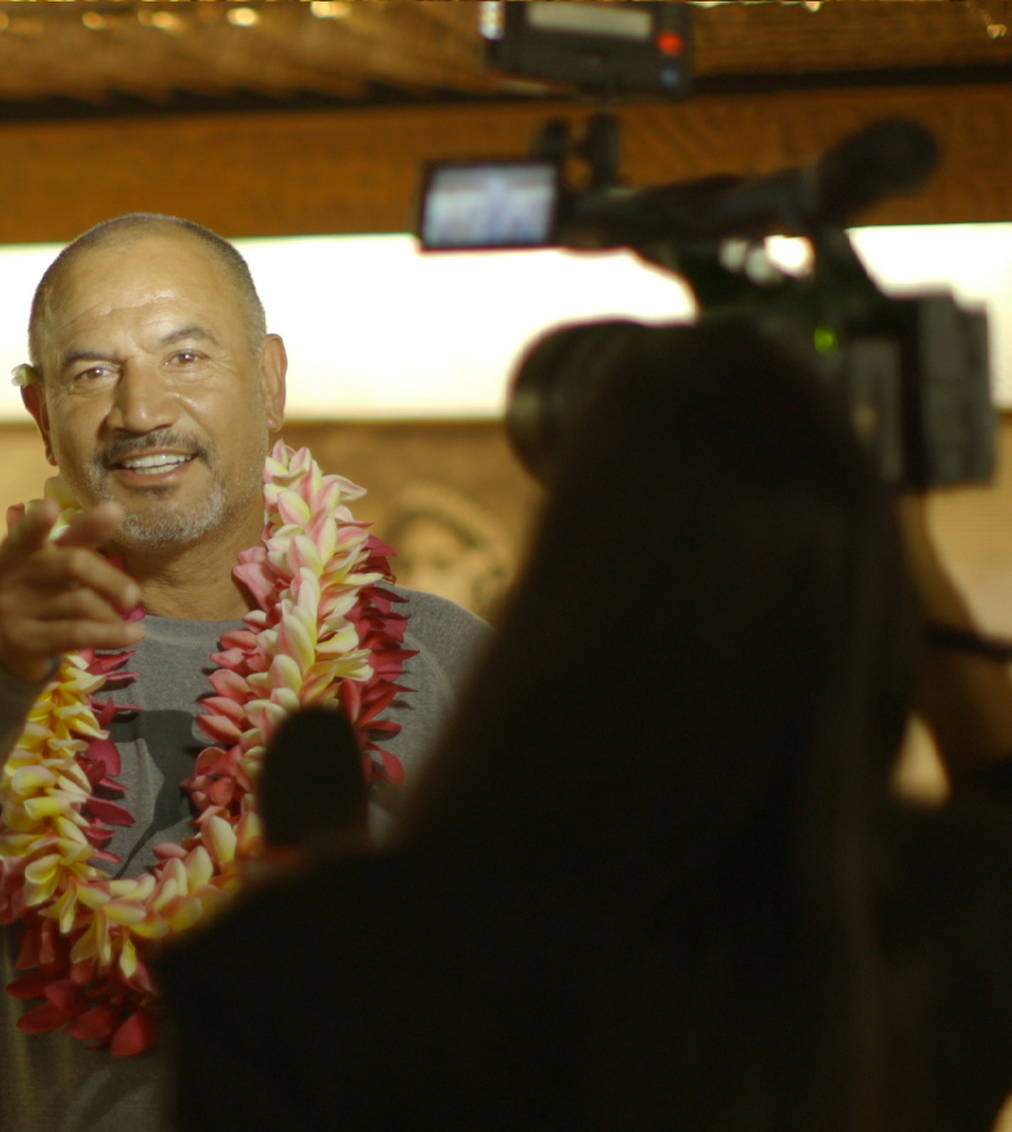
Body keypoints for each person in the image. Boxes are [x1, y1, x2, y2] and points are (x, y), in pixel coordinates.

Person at [160, 323, 1012, 1132]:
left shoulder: (306, 969)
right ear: (864, 631)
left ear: (557, 592)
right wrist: (915, 559)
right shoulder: (912, 952)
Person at [0, 213, 487, 1132]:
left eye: (186, 358)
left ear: (270, 382)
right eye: (91, 372)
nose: (141, 410)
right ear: (43, 417)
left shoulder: (442, 663)